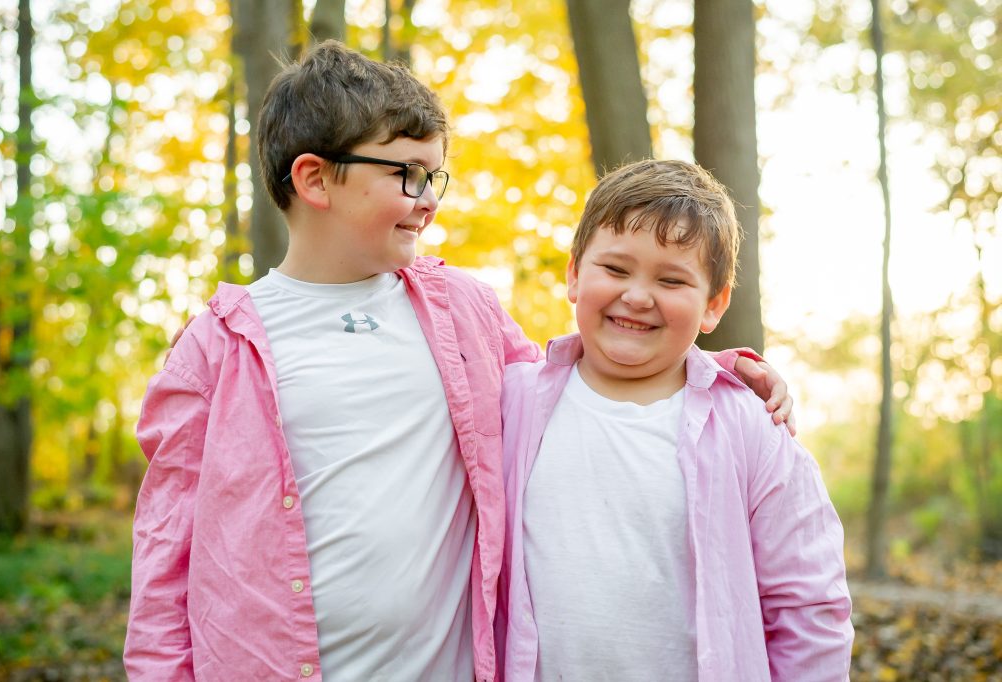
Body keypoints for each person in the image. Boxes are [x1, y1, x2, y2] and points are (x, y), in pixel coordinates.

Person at [125, 41, 796, 681]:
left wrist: (709, 372)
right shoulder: (215, 351)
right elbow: (164, 560)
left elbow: (570, 396)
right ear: (314, 178)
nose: (430, 197)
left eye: (434, 175)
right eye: (407, 174)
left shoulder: (465, 312)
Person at [497, 159, 853, 682]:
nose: (637, 296)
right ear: (574, 274)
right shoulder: (511, 403)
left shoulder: (753, 430)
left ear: (713, 305)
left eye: (671, 280)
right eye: (615, 270)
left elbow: (808, 603)